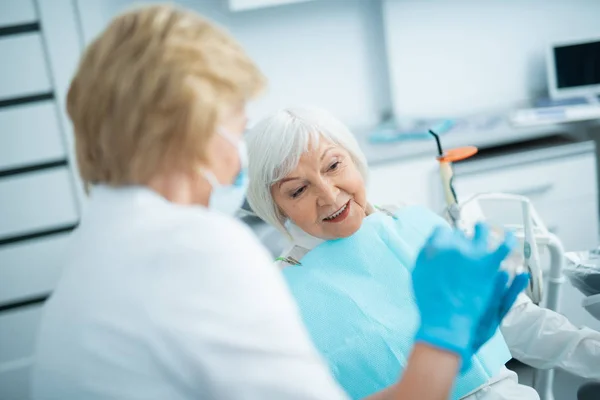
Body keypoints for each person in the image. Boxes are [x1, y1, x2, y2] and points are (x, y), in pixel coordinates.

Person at [30, 5, 524, 400]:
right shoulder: (196, 249)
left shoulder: (98, 244)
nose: (237, 158)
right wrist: (443, 334)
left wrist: (454, 342)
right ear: (190, 132)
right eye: (237, 129)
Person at [246, 106, 600, 400]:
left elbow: (519, 322)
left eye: (333, 165)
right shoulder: (281, 295)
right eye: (298, 190)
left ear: (354, 160)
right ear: (276, 208)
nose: (328, 194)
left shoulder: (415, 224)